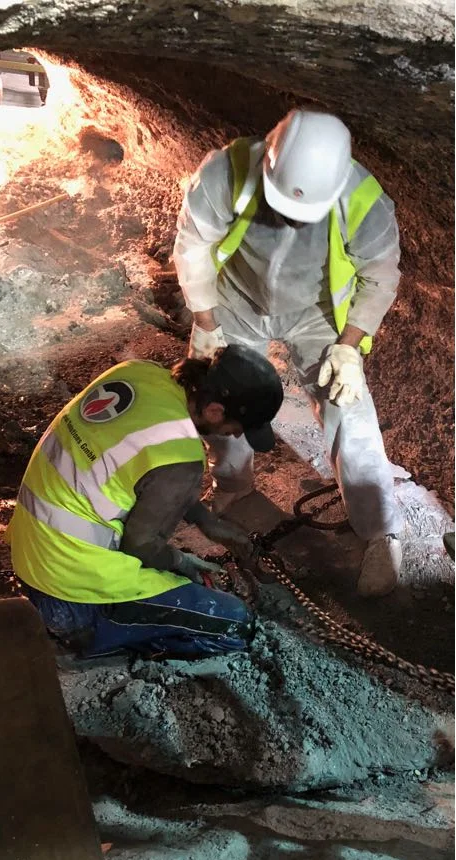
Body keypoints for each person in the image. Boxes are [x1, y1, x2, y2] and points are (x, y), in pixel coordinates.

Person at [174, 108, 403, 597]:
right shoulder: (226, 171)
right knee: (222, 399)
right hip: (238, 300)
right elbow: (193, 245)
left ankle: (380, 530)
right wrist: (207, 325)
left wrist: (349, 348)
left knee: (346, 405)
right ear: (268, 164)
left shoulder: (364, 202)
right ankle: (232, 486)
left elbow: (380, 276)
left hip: (316, 311)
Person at [6, 345, 283, 658]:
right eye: (238, 429)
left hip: (29, 553)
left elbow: (134, 472)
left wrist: (207, 522)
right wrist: (180, 563)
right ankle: (95, 642)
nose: (234, 436)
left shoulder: (137, 373)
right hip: (71, 595)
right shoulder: (180, 456)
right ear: (215, 411)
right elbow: (139, 545)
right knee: (234, 624)